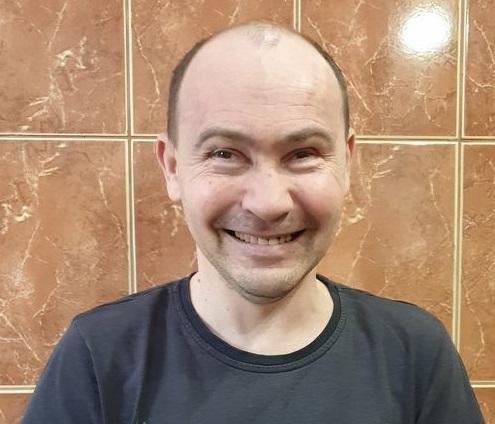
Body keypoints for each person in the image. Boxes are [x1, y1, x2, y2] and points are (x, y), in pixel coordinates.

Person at [22, 21, 482, 423]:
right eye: (225, 153)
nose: (267, 203)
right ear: (173, 168)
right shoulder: (99, 356)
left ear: (347, 163)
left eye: (303, 154)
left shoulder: (414, 354)